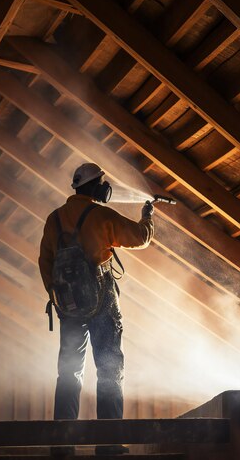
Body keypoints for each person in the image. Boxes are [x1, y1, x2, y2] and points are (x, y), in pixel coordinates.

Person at [38, 163, 154, 433]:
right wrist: (147, 217)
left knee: (69, 372)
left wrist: (59, 297)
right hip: (102, 301)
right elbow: (140, 237)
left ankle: (62, 443)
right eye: (103, 181)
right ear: (96, 186)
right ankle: (110, 442)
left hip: (68, 305)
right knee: (109, 369)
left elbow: (45, 262)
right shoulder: (101, 216)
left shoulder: (53, 219)